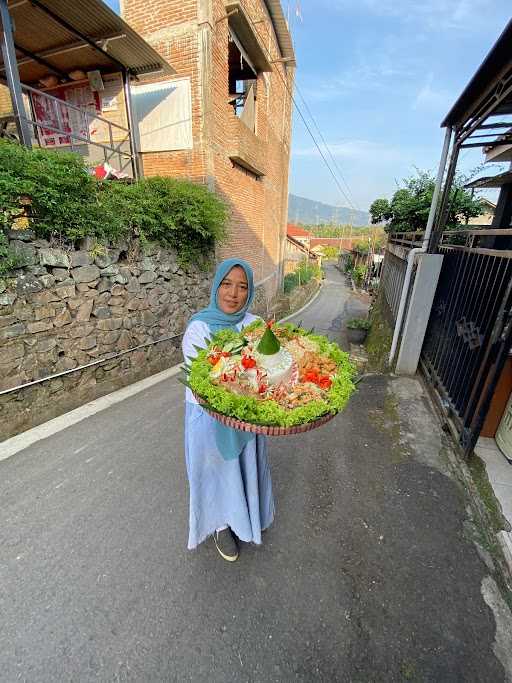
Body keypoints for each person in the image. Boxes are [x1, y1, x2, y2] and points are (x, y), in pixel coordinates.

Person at [182, 258, 275, 562]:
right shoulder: (198, 327)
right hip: (207, 417)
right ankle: (221, 525)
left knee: (244, 469)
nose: (233, 293)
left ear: (249, 292)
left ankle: (245, 517)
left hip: (247, 418)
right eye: (227, 284)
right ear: (216, 286)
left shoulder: (255, 326)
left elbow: (269, 370)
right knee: (215, 473)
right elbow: (205, 380)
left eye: (242, 286)